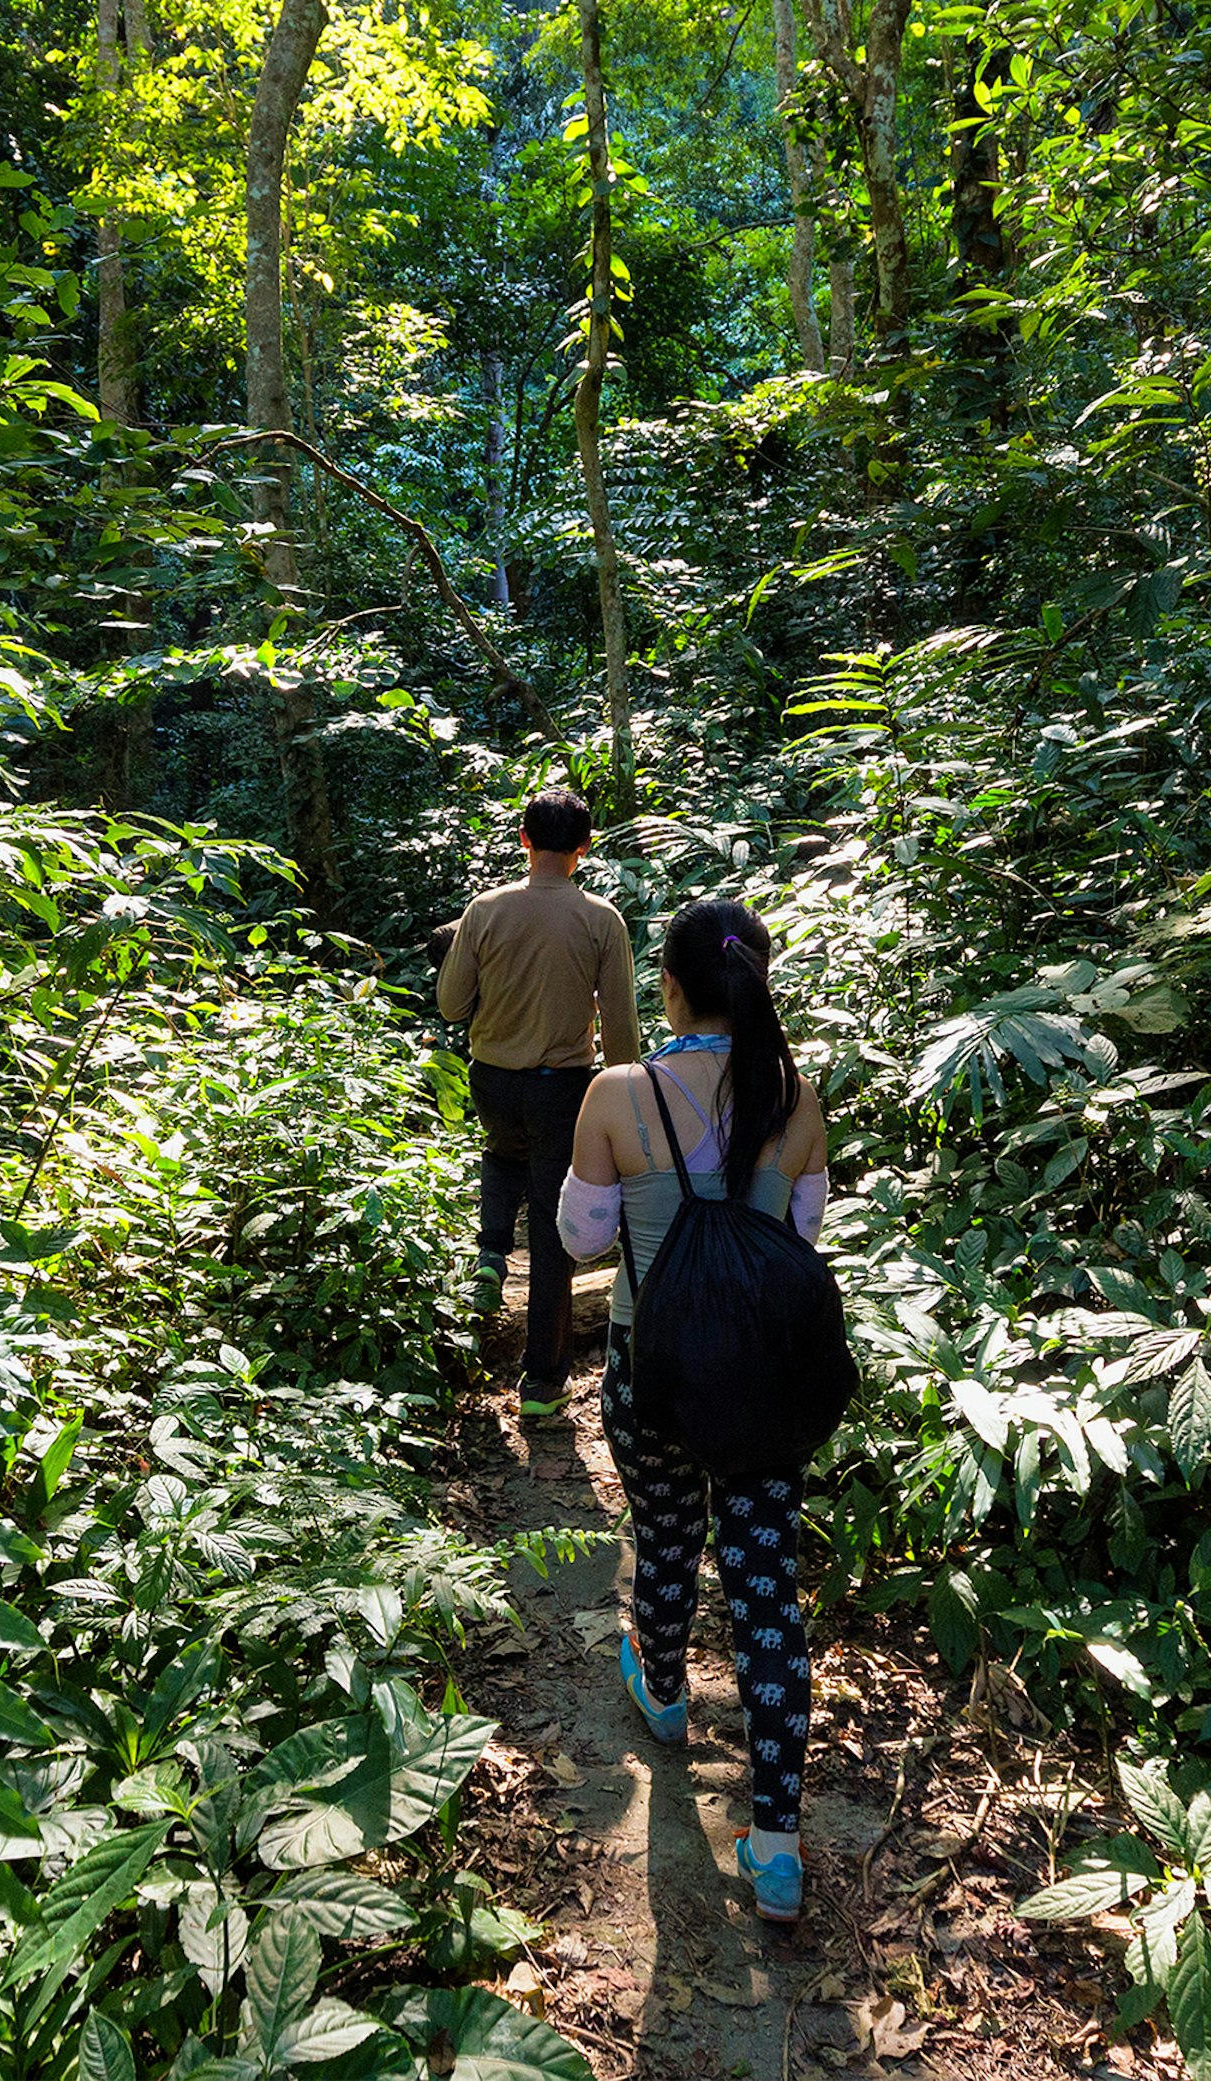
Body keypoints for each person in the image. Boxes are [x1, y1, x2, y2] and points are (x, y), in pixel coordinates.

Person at [555, 898, 830, 1926]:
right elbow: (801, 1234)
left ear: (666, 986)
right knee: (765, 1587)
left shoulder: (618, 1094)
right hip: (763, 1379)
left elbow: (583, 1238)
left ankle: (663, 1695)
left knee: (666, 1536)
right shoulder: (797, 1096)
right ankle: (779, 1845)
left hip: (652, 1371)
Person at [434, 789, 641, 1421]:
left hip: (493, 1079)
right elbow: (623, 1031)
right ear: (583, 849)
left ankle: (491, 1253)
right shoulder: (601, 919)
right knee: (554, 1229)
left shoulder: (485, 909)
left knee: (501, 1153)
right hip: (563, 1087)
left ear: (524, 840)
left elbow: (450, 1005)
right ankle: (543, 1384)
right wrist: (623, 1095)